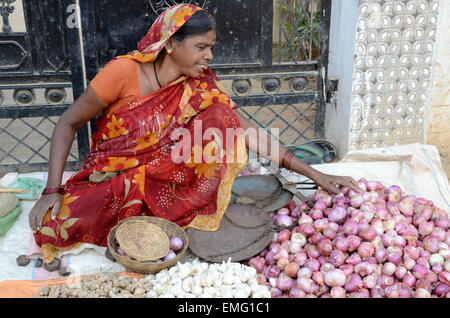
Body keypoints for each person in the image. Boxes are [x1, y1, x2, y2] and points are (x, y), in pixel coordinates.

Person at [29, 4, 360, 265]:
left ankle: (175, 213)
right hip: (116, 178)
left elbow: (248, 132)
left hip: (165, 179)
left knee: (221, 117)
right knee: (61, 223)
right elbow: (67, 123)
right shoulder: (122, 72)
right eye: (201, 47)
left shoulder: (198, 84)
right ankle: (160, 216)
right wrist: (51, 189)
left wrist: (315, 173)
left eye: (211, 47)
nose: (209, 56)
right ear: (171, 43)